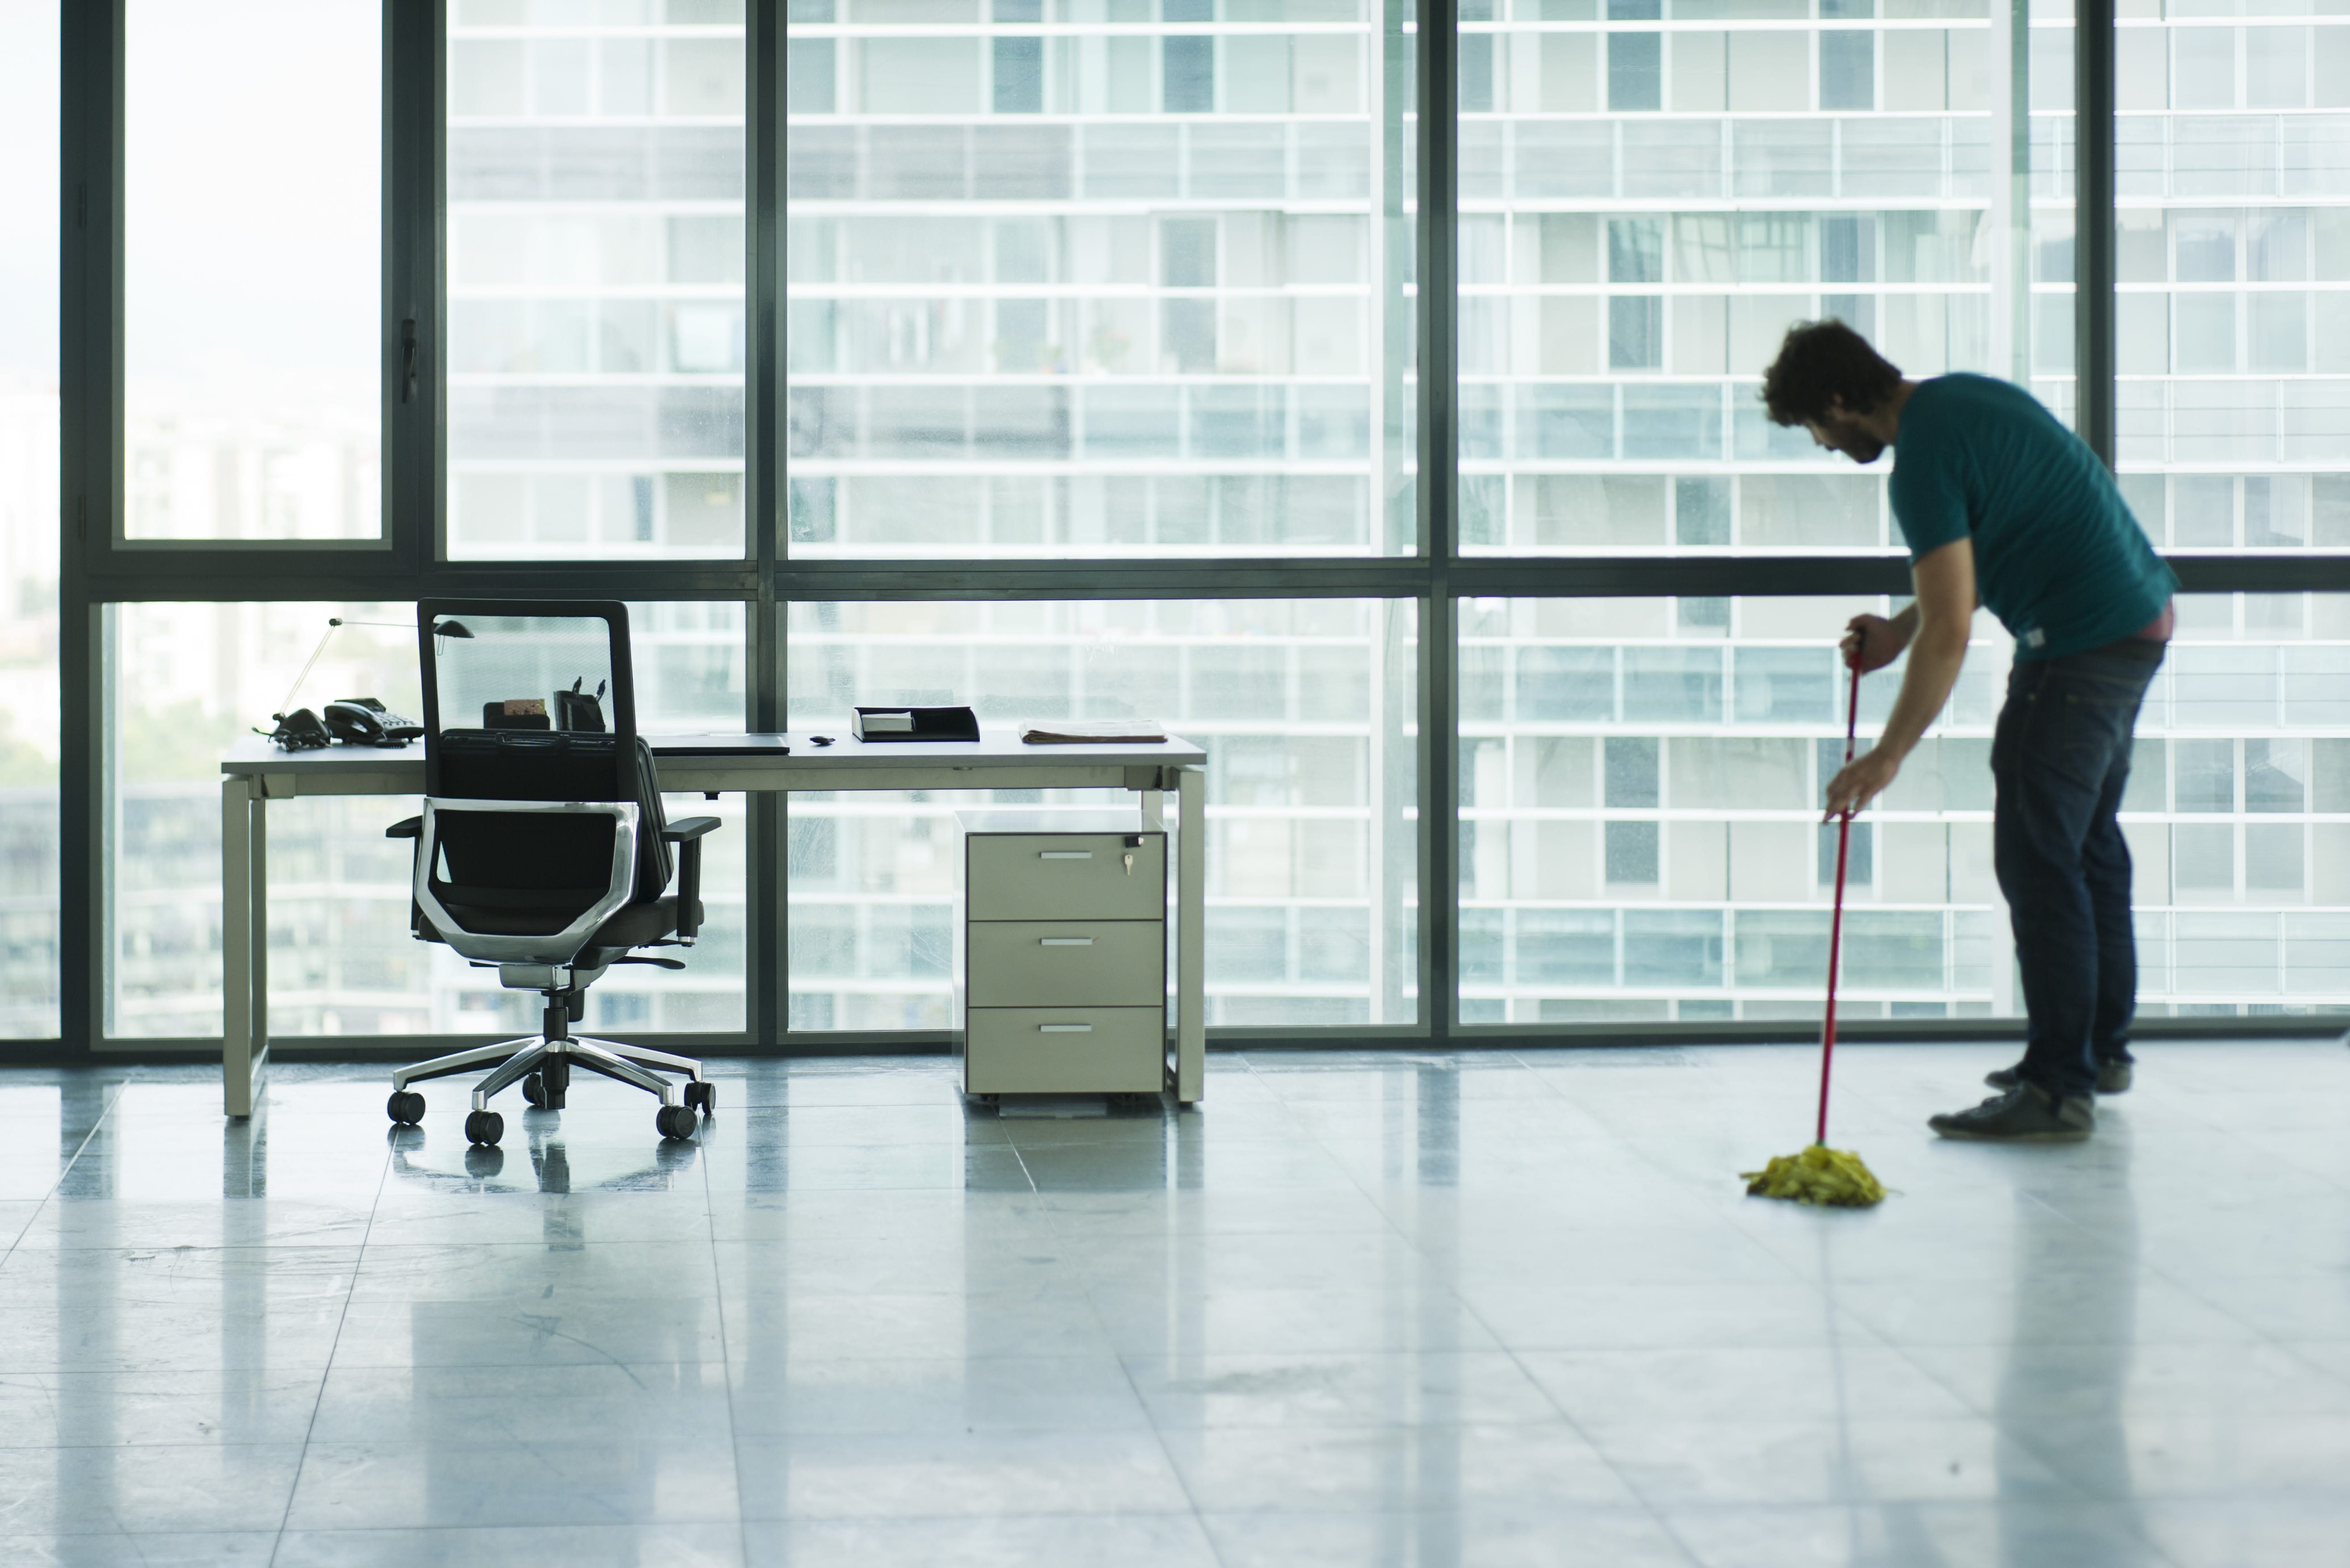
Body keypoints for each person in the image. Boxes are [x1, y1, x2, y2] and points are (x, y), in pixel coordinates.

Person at [1761, 320, 2177, 1143]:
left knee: (2038, 855)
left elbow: (1954, 628)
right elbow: (1980, 559)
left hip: (2080, 645)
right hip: (2137, 622)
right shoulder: (1963, 402)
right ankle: (2096, 1053)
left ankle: (2059, 1091)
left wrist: (1886, 756)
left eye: (1812, 424)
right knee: (2087, 844)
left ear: (1840, 400)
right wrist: (1899, 632)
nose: (1818, 442)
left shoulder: (1918, 463)